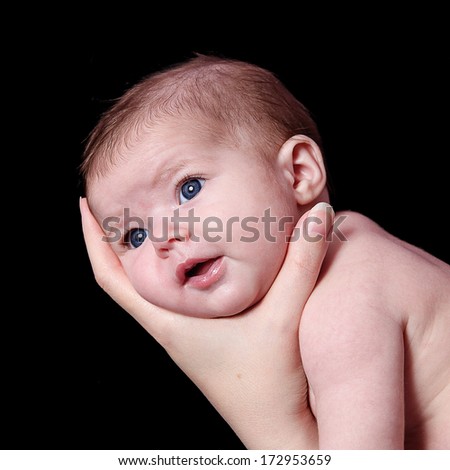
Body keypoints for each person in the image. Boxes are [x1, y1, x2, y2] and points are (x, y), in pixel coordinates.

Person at [80, 54, 450, 449]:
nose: (162, 239)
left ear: (298, 173)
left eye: (189, 188)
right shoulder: (354, 240)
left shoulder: (344, 306)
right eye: (134, 235)